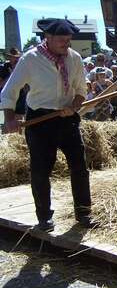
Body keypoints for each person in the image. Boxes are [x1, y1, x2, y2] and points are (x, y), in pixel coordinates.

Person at [0, 18, 95, 231]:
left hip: (67, 119)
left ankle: (83, 213)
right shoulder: (30, 59)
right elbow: (10, 92)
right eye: (62, 40)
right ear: (48, 38)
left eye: (69, 40)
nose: (66, 44)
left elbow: (81, 89)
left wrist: (75, 105)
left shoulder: (75, 59)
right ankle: (44, 217)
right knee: (41, 170)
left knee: (79, 166)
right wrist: (10, 119)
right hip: (40, 120)